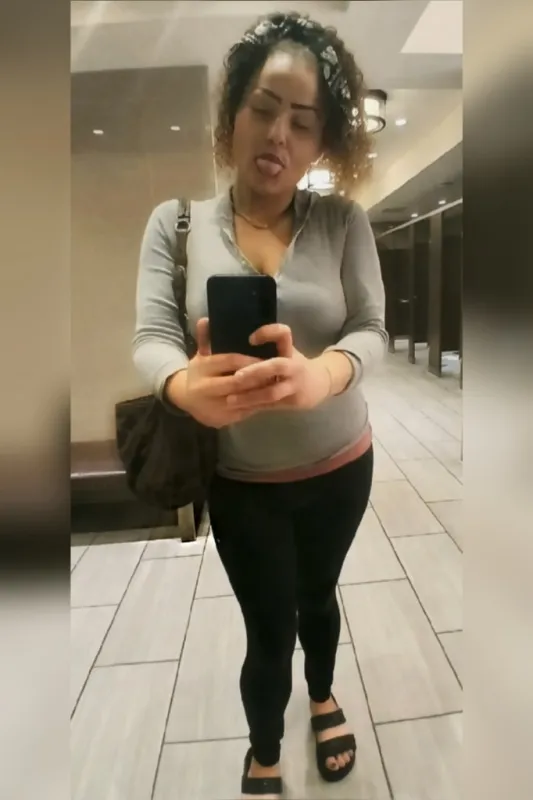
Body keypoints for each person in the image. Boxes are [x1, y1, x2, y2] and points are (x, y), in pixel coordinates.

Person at [133, 11, 387, 799]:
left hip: (341, 465)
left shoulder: (342, 222)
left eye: (303, 122)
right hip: (242, 484)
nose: (279, 134)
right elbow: (152, 337)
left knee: (318, 598)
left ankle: (324, 695)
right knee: (268, 624)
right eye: (264, 108)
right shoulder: (176, 224)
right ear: (232, 113)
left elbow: (372, 328)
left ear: (321, 143)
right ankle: (265, 747)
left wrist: (325, 375)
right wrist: (184, 388)